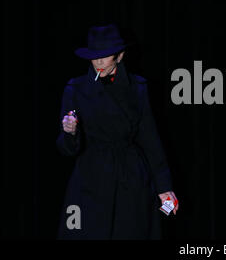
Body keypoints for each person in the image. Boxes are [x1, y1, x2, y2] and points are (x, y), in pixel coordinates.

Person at [56, 24, 178, 239]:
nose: (99, 62)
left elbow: (150, 140)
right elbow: (67, 149)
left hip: (130, 178)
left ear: (120, 56)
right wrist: (70, 132)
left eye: (105, 56)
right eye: (94, 56)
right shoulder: (75, 89)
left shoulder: (138, 88)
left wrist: (164, 187)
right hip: (90, 178)